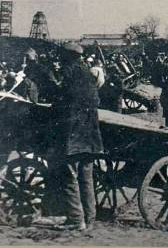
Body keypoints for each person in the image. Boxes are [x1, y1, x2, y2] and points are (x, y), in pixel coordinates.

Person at [50, 42, 103, 230]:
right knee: (86, 176)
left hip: (74, 136)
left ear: (68, 57)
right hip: (90, 136)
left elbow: (60, 101)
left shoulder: (69, 73)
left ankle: (75, 219)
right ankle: (89, 218)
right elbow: (95, 100)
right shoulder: (88, 74)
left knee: (69, 174)